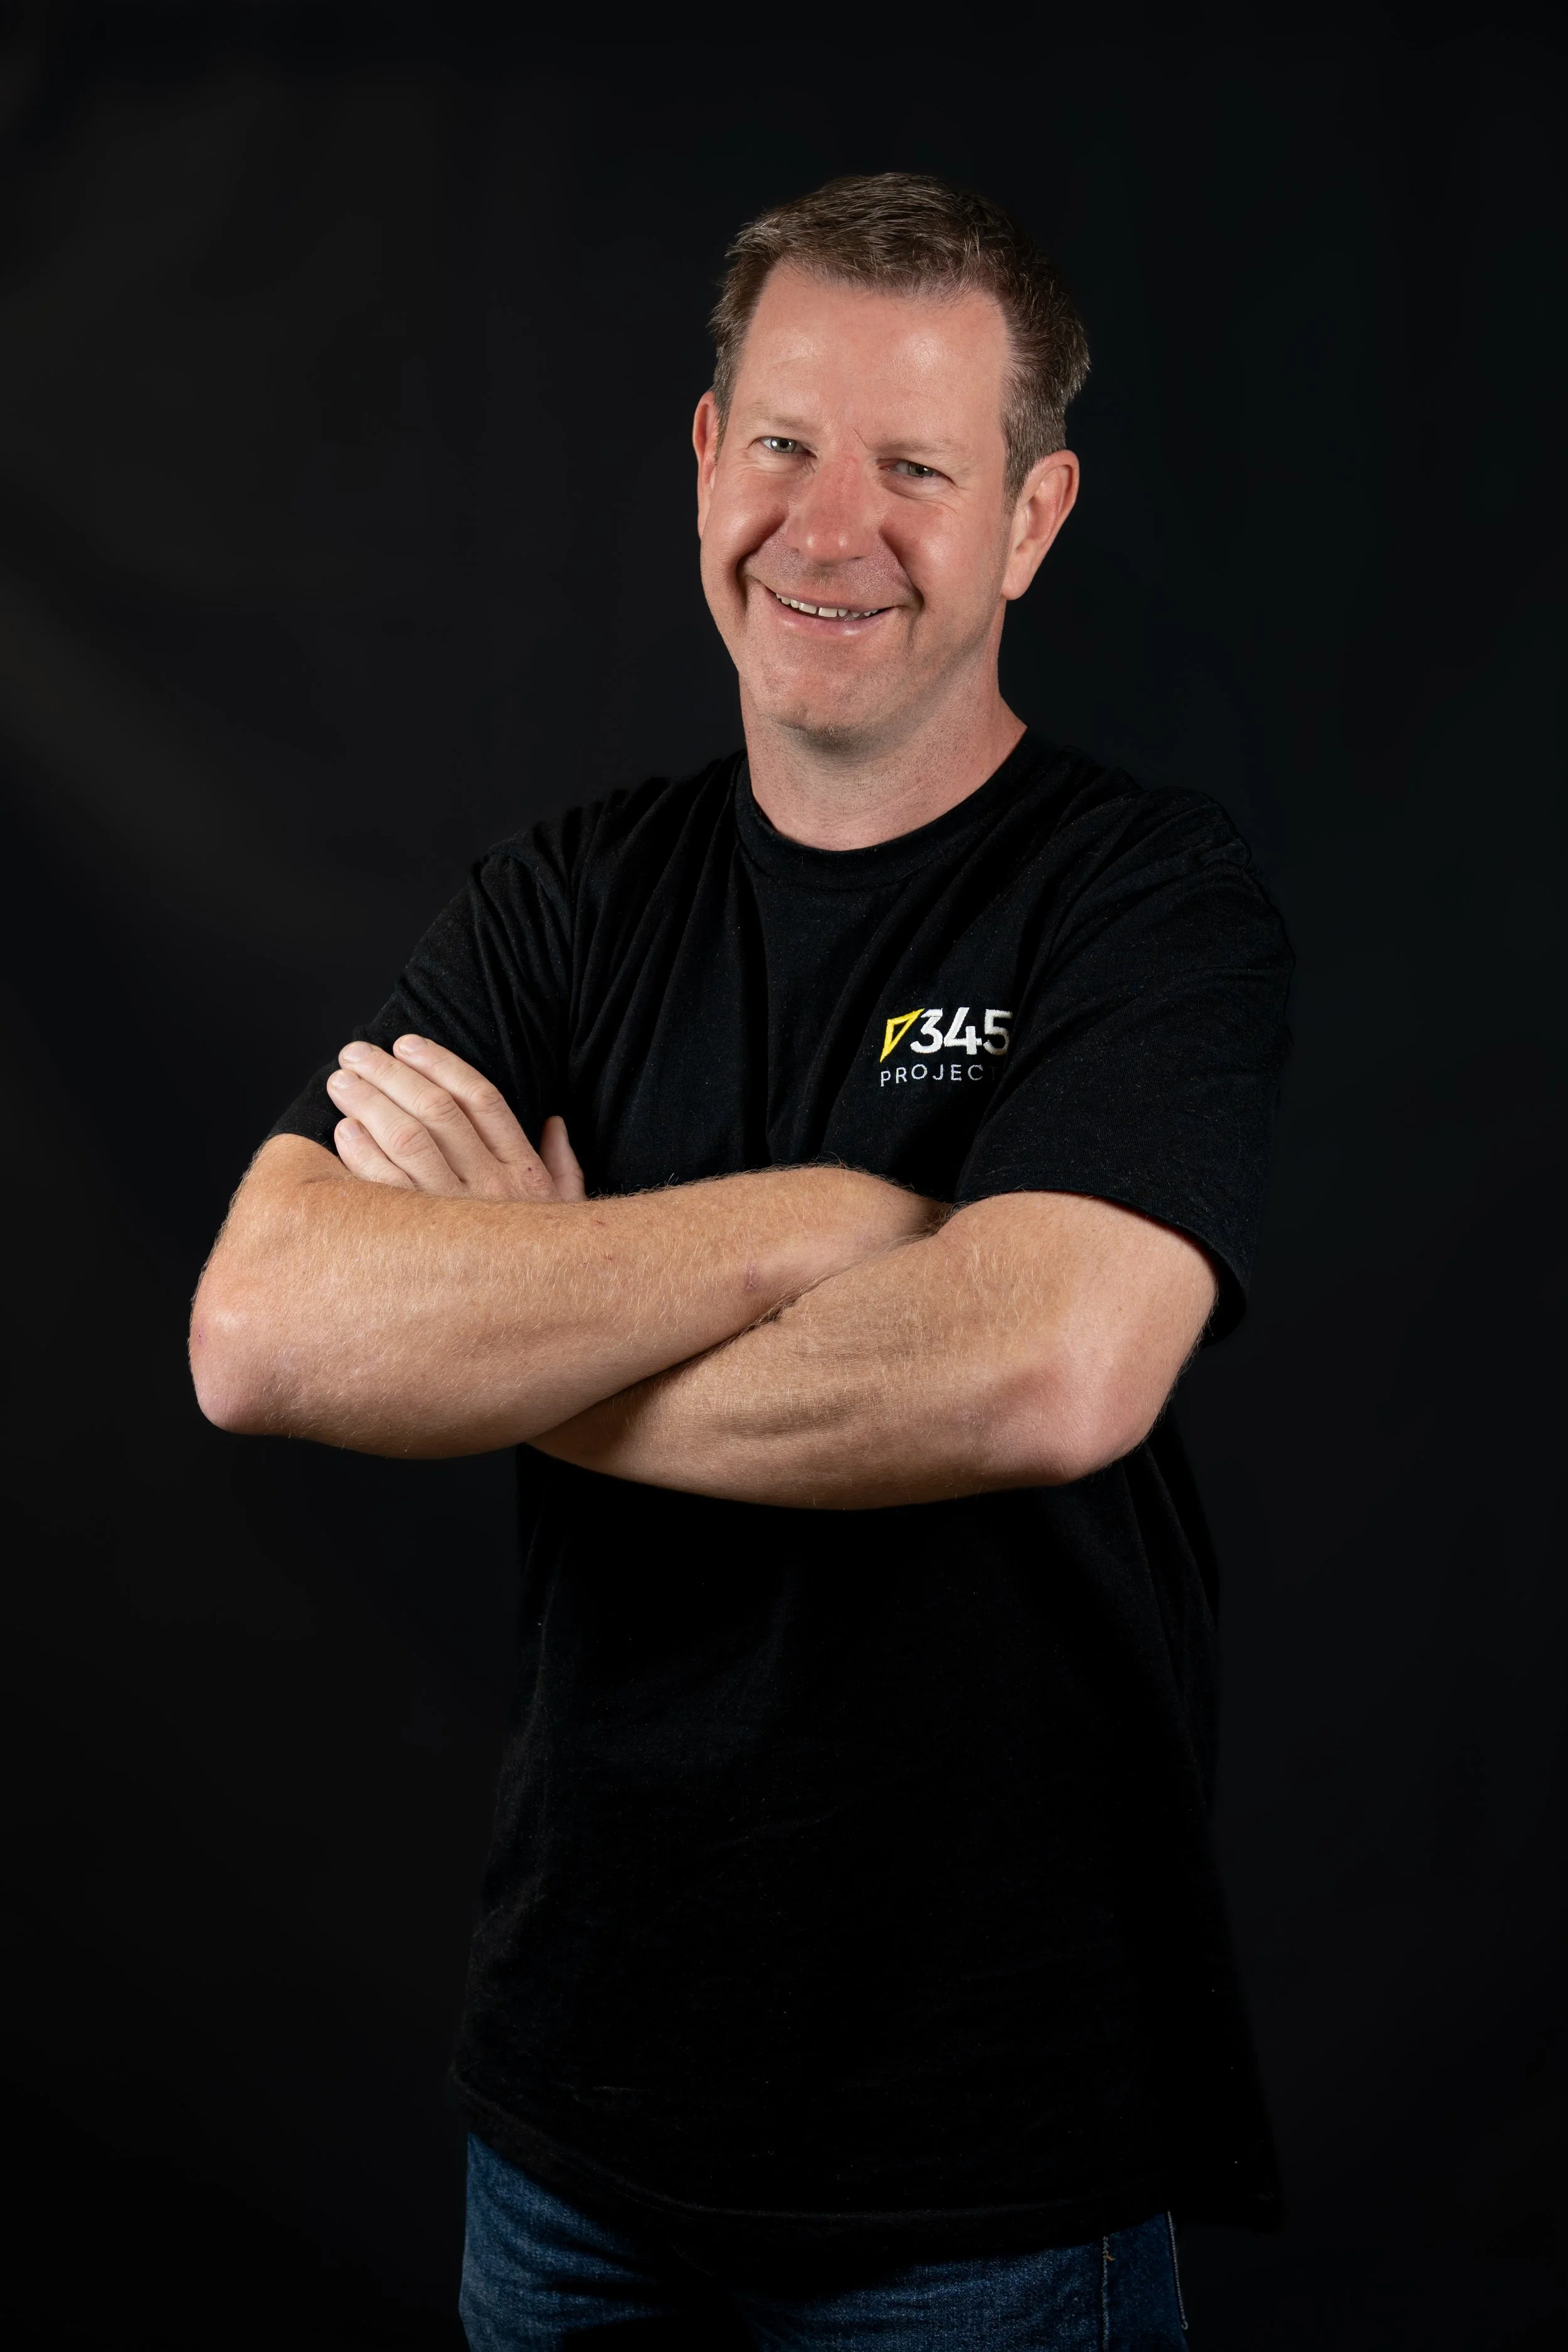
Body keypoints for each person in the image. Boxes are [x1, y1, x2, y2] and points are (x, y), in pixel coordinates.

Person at [192, 172, 1291, 2351]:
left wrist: (542, 1307)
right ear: (706, 459)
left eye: (913, 467)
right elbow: (263, 1322)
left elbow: (1047, 1369)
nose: (828, 526)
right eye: (782, 442)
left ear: (1033, 518)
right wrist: (823, 1230)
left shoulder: (1143, 904)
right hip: (572, 2141)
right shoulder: (567, 899)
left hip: (979, 2182)